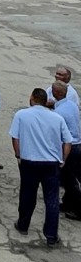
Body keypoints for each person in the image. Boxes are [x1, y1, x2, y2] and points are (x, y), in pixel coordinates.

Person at [10, 88, 73, 246]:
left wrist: (18, 155)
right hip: (51, 163)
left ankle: (23, 224)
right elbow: (68, 141)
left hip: (29, 162)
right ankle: (51, 236)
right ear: (46, 101)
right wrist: (63, 159)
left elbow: (15, 138)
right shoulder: (57, 118)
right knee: (51, 199)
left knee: (27, 195)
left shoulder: (21, 115)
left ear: (32, 98)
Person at [52, 81, 81, 222]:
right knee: (70, 178)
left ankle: (79, 210)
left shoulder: (59, 113)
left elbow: (58, 135)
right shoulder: (72, 105)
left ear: (55, 93)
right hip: (77, 145)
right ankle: (68, 203)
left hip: (69, 148)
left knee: (70, 181)